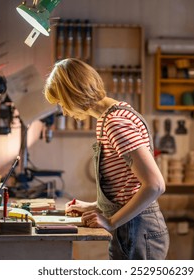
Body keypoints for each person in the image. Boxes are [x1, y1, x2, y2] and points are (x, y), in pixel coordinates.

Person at [43, 58, 169, 260]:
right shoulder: (111, 116)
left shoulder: (115, 122)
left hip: (137, 230)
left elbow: (154, 185)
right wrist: (96, 206)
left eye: (61, 104)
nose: (64, 112)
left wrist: (111, 222)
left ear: (72, 94)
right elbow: (128, 188)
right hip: (132, 228)